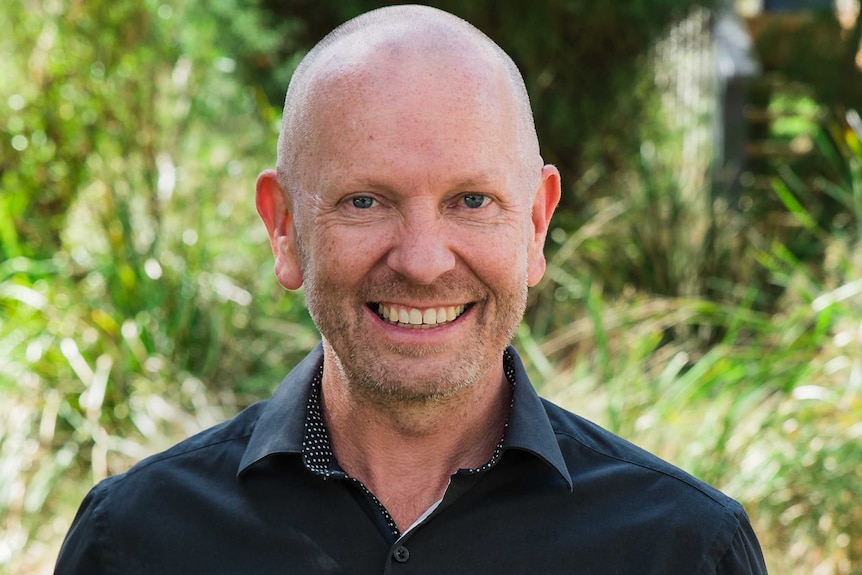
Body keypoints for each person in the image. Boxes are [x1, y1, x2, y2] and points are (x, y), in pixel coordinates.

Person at [56, 5, 768, 573]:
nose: (424, 262)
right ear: (284, 228)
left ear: (536, 223)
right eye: (366, 201)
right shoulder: (134, 543)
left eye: (472, 200)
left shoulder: (682, 550)